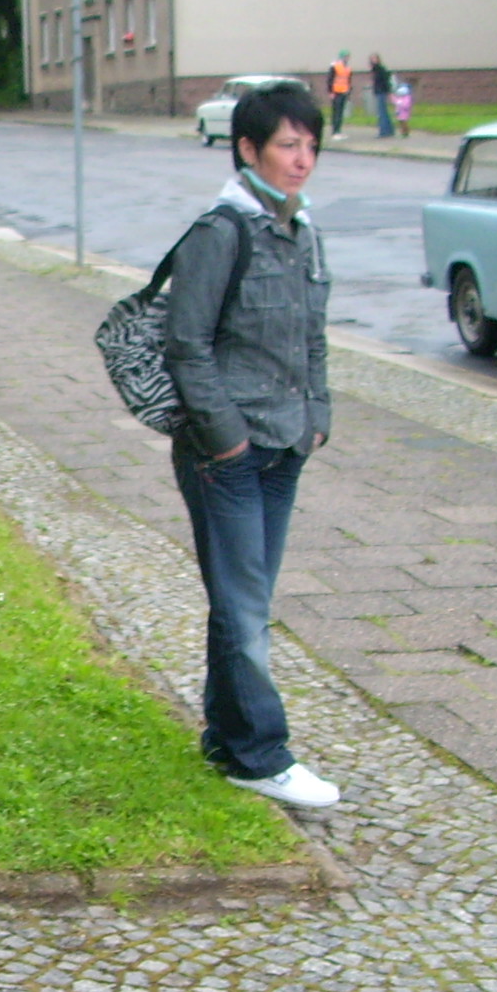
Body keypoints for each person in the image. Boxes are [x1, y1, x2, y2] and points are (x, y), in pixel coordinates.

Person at [161, 81, 338, 809]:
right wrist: (227, 438)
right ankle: (263, 754)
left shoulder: (302, 231)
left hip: (285, 444)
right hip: (225, 454)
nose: (302, 160)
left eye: (310, 146)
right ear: (247, 150)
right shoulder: (221, 232)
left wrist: (318, 414)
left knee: (244, 601)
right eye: (288, 146)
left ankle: (227, 739)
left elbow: (312, 336)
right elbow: (185, 343)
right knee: (244, 608)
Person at [327, 51, 351, 138]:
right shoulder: (335, 66)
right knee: (336, 112)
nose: (347, 58)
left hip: (344, 91)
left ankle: (339, 131)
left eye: (348, 57)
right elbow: (330, 79)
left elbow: (348, 80)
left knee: (340, 112)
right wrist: (330, 91)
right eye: (346, 56)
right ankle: (335, 131)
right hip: (336, 92)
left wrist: (348, 91)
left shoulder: (347, 67)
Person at [370, 53, 394, 138]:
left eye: (375, 59)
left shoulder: (380, 69)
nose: (373, 60)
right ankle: (389, 130)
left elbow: (385, 81)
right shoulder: (375, 69)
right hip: (379, 92)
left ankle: (384, 131)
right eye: (372, 59)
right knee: (384, 111)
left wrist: (388, 91)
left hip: (381, 92)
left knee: (382, 112)